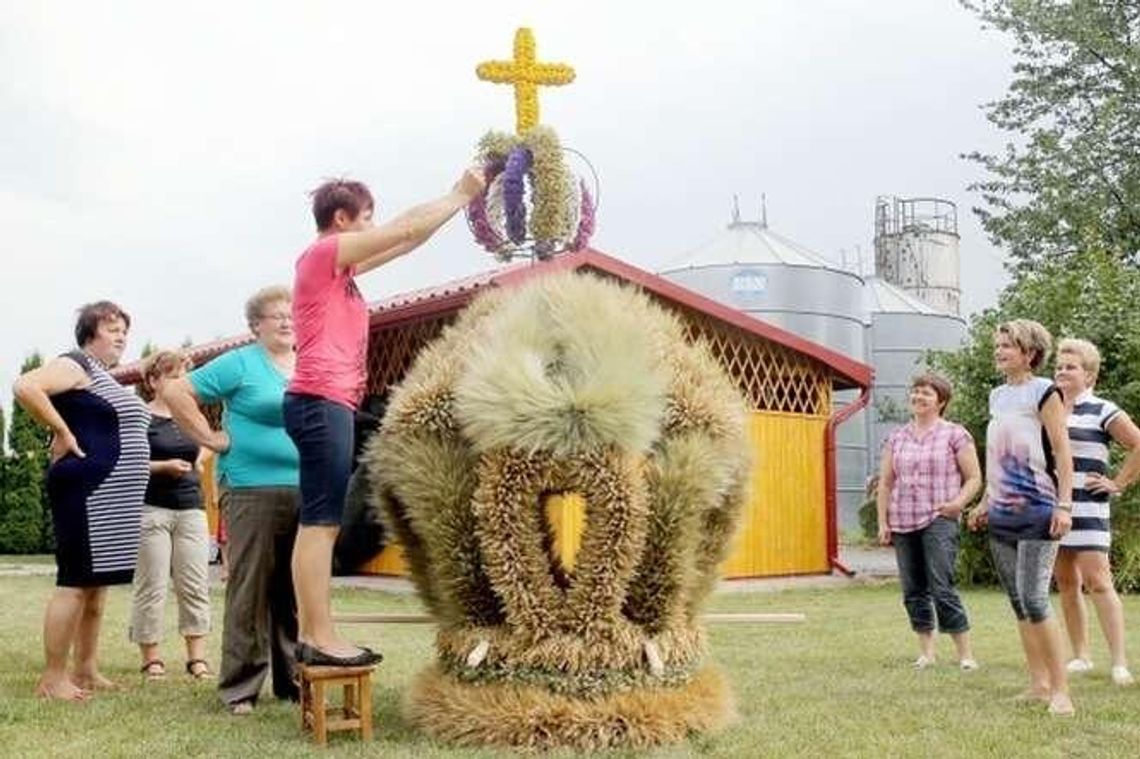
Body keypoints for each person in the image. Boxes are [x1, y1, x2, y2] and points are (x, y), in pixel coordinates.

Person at [284, 169, 486, 666]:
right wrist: (459, 193)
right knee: (320, 524)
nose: (374, 227)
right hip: (320, 399)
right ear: (341, 219)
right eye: (367, 218)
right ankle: (318, 635)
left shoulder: (341, 270)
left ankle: (314, 632)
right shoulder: (322, 254)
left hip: (328, 403)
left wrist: (456, 201)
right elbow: (403, 229)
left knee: (321, 522)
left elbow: (407, 238)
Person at [163, 286, 300, 714]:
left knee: (294, 589)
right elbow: (177, 392)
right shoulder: (240, 362)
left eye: (291, 313)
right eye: (276, 315)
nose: (286, 321)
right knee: (250, 588)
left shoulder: (307, 362)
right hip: (249, 488)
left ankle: (294, 681)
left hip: (304, 488)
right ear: (256, 325)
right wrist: (207, 438)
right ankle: (240, 688)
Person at [13, 301, 150, 700]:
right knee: (75, 582)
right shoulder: (76, 364)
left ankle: (85, 669)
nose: (121, 337)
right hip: (87, 490)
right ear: (90, 333)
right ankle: (53, 677)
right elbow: (26, 386)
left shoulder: (103, 376)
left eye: (124, 330)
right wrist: (62, 431)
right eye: (112, 329)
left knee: (95, 584)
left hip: (111, 496)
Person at [967, 319, 1075, 716]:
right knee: (1019, 602)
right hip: (1001, 513)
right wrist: (984, 502)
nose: (999, 351)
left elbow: (1062, 452)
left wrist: (1065, 505)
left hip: (1039, 510)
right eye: (997, 345)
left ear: (1029, 353)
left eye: (1007, 345)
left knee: (1035, 599)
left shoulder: (1045, 391)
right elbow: (997, 454)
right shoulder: (997, 396)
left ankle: (1061, 691)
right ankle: (1039, 685)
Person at [877, 374, 982, 670]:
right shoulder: (896, 437)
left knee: (941, 586)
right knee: (913, 590)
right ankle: (927, 653)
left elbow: (974, 477)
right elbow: (886, 483)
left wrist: (958, 504)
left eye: (926, 393)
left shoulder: (955, 434)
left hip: (939, 517)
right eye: (916, 392)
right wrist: (883, 522)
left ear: (941, 401)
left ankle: (965, 655)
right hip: (902, 519)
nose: (919, 397)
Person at [1052, 338, 1140, 686]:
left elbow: (1137, 443)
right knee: (1066, 583)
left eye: (1070, 367)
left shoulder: (1103, 409)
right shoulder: (1049, 407)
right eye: (1059, 366)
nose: (1062, 371)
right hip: (1055, 506)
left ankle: (1119, 662)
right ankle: (1081, 655)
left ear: (1089, 375)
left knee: (1099, 582)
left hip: (1088, 506)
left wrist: (1118, 483)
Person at [129, 350, 212, 681]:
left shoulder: (191, 414)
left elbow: (210, 441)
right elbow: (127, 461)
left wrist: (201, 458)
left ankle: (197, 659)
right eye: (173, 376)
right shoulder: (140, 417)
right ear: (153, 381)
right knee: (152, 586)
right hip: (152, 510)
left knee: (195, 584)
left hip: (191, 509)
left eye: (183, 377)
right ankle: (151, 659)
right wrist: (161, 467)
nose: (181, 382)